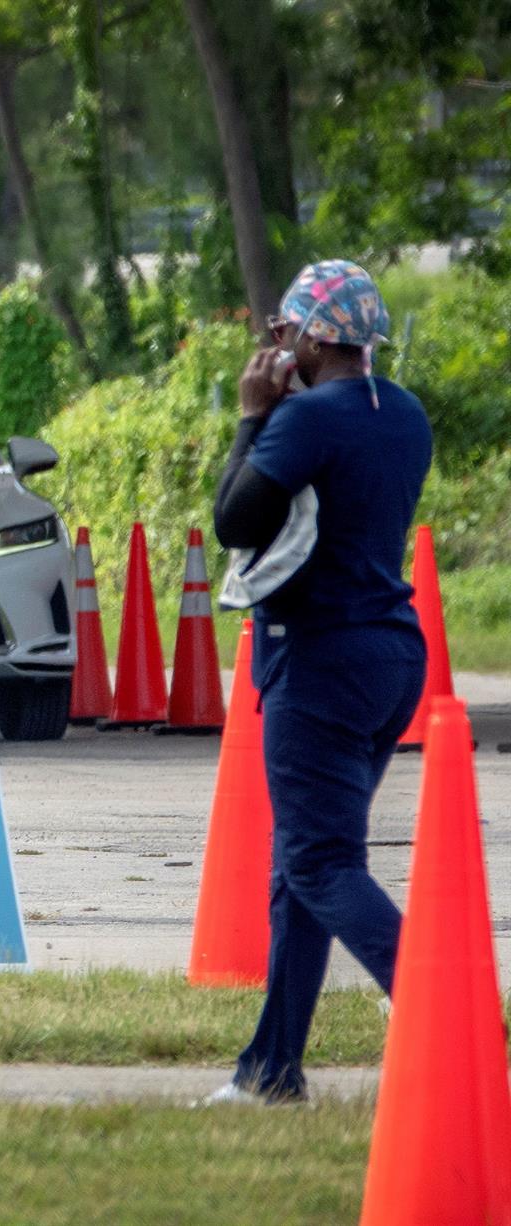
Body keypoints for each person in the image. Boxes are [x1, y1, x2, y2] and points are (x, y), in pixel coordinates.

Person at [207, 260, 432, 1105]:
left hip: (321, 657)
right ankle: (271, 1072)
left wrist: (249, 419)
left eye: (284, 332)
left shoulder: (304, 421)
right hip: (392, 654)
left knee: (319, 858)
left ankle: (444, 1007)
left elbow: (235, 517)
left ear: (310, 337)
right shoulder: (403, 414)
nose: (275, 345)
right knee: (298, 867)